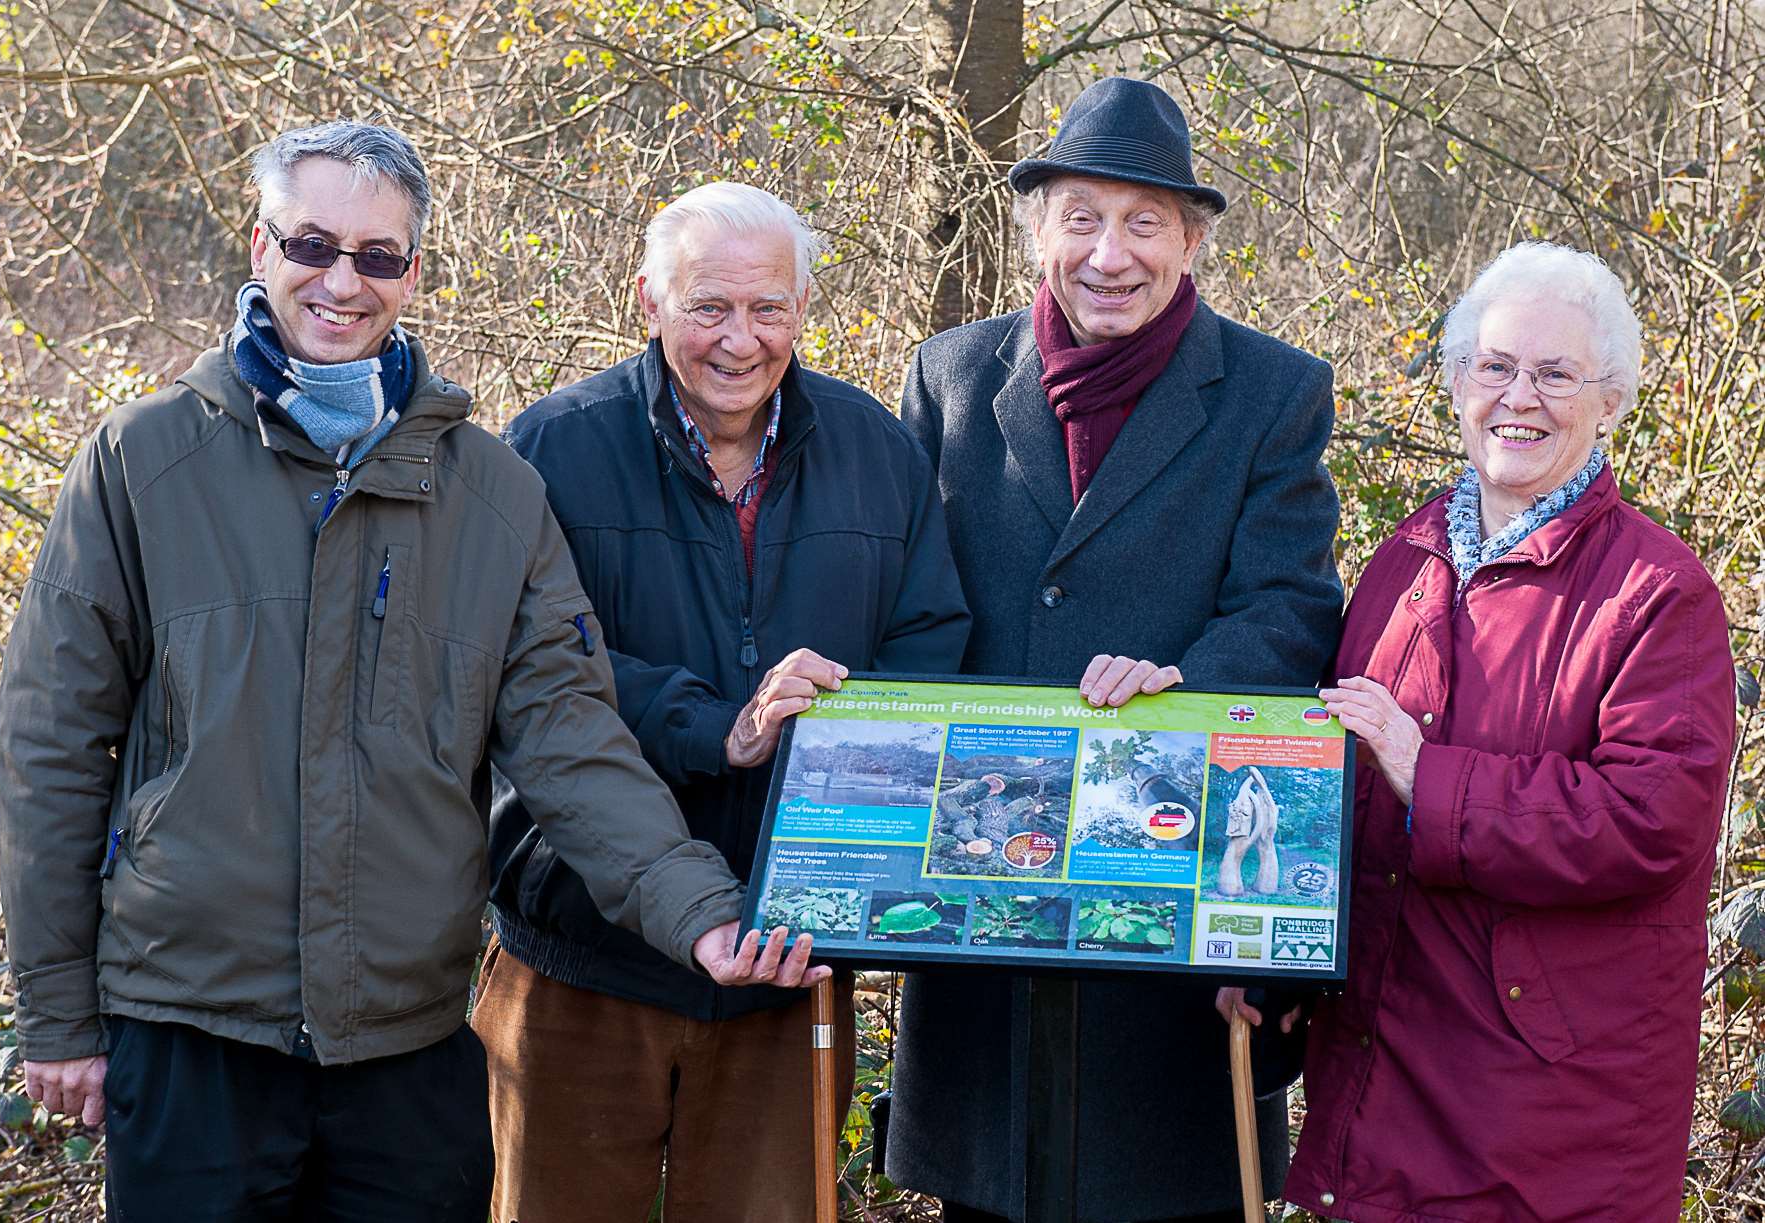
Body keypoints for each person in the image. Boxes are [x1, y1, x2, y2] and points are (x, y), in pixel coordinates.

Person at [0, 123, 817, 1223]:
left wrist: (702, 913)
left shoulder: (490, 492)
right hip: (191, 1037)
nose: (343, 281)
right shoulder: (143, 462)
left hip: (409, 1051)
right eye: (313, 244)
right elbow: (50, 744)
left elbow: (569, 739)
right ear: (260, 247)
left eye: (379, 255)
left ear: (414, 272)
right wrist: (57, 1014)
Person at [889, 76, 1344, 1221]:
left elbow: (1292, 607)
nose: (1109, 253)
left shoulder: (1272, 392)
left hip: (1169, 907)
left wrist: (1185, 679)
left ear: (1190, 241)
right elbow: (907, 605)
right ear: (1036, 225)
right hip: (981, 910)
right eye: (1081, 216)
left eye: (1144, 222)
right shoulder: (948, 376)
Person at [476, 182, 970, 1222]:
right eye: (708, 306)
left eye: (768, 308)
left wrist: (834, 730)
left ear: (801, 308)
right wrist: (722, 725)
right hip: (582, 951)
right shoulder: (552, 448)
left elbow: (930, 656)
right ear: (647, 300)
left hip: (791, 956)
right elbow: (531, 671)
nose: (739, 340)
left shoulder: (876, 451)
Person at [1262, 241, 1736, 1221]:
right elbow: (1337, 799)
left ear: (1610, 401)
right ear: (1453, 384)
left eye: (1555, 373)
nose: (1518, 397)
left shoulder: (1657, 595)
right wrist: (1273, 954)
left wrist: (1423, 772)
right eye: (1494, 366)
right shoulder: (1402, 559)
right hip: (1383, 1070)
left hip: (1541, 1109)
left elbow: (1648, 821)